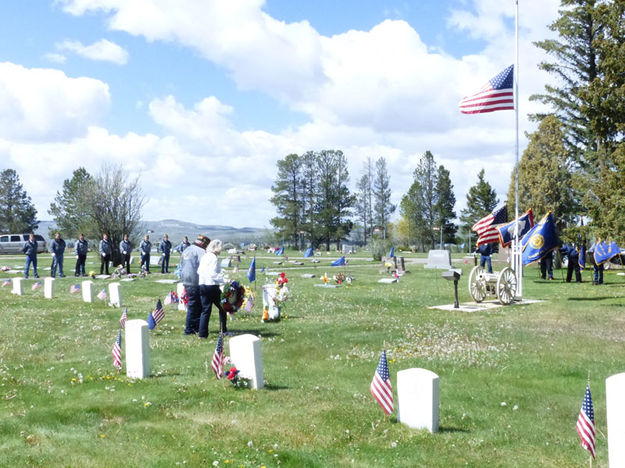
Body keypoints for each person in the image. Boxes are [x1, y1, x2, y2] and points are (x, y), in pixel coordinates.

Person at [198, 239, 230, 338]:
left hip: (202, 285)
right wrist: (224, 280)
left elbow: (199, 271)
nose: (221, 249)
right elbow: (213, 274)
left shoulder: (205, 256)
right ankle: (223, 330)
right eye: (220, 247)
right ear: (216, 247)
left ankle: (202, 334)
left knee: (205, 310)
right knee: (223, 307)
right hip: (211, 286)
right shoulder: (214, 258)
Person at [180, 235, 210, 335]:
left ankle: (195, 327)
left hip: (186, 280)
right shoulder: (201, 251)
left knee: (194, 304)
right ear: (203, 243)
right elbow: (205, 266)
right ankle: (190, 329)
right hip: (195, 281)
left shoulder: (187, 249)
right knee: (195, 306)